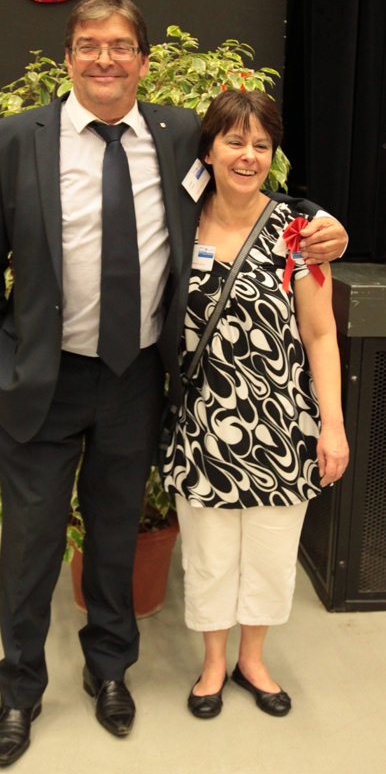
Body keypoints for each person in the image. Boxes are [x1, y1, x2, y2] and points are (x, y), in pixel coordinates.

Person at [0, 0, 347, 765]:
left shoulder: (174, 137)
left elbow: (245, 181)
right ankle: (21, 690)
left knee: (113, 535)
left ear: (142, 60)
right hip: (40, 380)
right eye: (90, 44)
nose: (105, 59)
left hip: (134, 377)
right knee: (31, 544)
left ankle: (110, 671)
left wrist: (316, 218)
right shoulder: (11, 141)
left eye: (120, 46)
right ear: (69, 56)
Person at [162, 89, 349, 719]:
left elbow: (320, 334)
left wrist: (333, 427)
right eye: (234, 141)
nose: (248, 156)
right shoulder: (179, 224)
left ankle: (253, 659)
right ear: (209, 150)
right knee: (210, 554)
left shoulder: (299, 232)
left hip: (282, 426)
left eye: (261, 145)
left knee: (270, 552)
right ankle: (214, 661)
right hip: (201, 428)